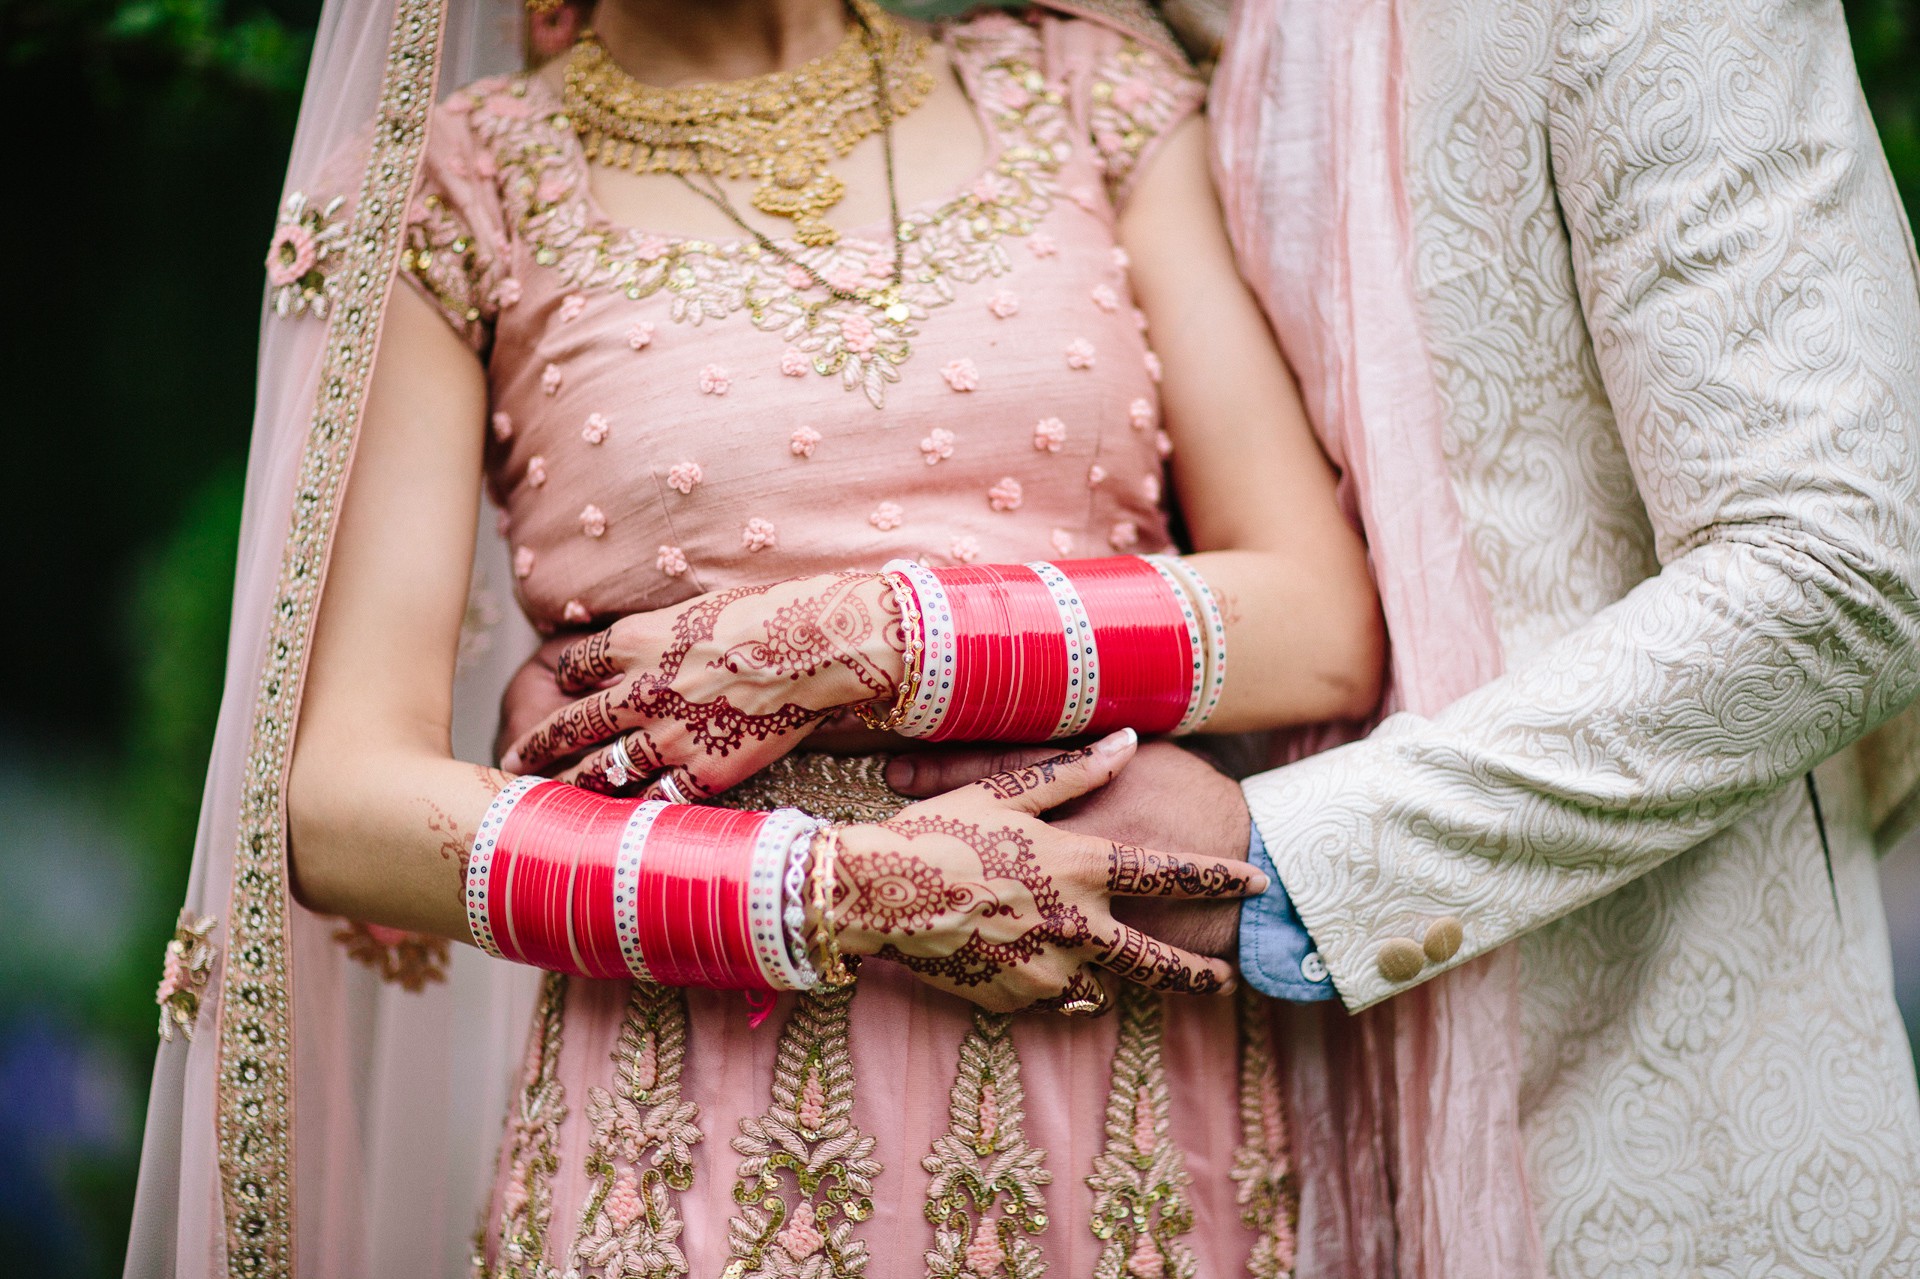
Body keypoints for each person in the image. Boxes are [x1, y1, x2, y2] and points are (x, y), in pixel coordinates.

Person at [128, 0, 1402, 1275]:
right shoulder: (458, 192)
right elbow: (344, 809)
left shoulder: (1085, 92)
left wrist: (864, 640)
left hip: (1119, 1089)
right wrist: (838, 893)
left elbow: (1322, 621)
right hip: (696, 1125)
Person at [895, 0, 1920, 1273]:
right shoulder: (1103, 41)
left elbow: (1844, 567)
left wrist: (1268, 858)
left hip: (1650, 1130)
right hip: (1233, 1152)